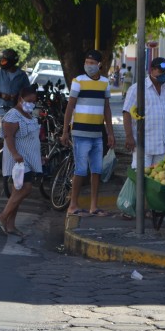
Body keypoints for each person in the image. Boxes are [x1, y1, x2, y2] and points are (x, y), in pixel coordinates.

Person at [61, 49, 115, 217]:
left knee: (96, 170)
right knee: (81, 170)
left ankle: (93, 206)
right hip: (80, 132)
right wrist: (65, 132)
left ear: (100, 65)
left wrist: (110, 133)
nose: (89, 65)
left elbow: (107, 108)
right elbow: (70, 107)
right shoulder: (78, 81)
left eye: (92, 63)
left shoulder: (105, 83)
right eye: (87, 62)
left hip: (97, 133)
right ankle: (73, 205)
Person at [0, 86, 41, 236]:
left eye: (34, 101)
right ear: (20, 99)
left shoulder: (29, 115)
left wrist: (40, 157)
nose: (32, 104)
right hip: (19, 159)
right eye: (29, 101)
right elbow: (9, 137)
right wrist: (15, 154)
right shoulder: (13, 115)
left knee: (17, 192)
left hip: (28, 158)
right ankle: (2, 216)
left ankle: (10, 225)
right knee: (25, 188)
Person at [122, 57, 165, 171]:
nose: (164, 74)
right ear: (151, 70)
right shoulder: (137, 88)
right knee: (140, 181)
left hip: (163, 146)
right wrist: (129, 136)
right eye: (161, 71)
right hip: (144, 146)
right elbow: (127, 112)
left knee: (159, 179)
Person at [0, 49, 30, 116]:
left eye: (5, 60)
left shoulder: (22, 75)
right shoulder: (0, 73)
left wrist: (17, 96)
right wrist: (1, 95)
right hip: (1, 112)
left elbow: (28, 93)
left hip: (18, 113)